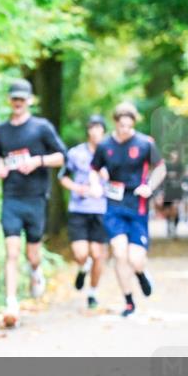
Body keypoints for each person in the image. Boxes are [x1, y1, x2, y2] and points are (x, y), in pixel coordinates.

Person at [0, 79, 67, 327]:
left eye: (22, 98)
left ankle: (36, 270)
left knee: (32, 253)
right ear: (9, 100)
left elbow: (61, 157)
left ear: (30, 101)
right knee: (11, 252)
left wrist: (38, 161)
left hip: (35, 197)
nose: (18, 102)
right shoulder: (1, 130)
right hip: (11, 197)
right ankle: (11, 303)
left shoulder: (41, 127)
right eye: (14, 98)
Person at [89, 102, 166, 317]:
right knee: (119, 253)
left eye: (129, 126)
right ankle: (129, 301)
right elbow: (93, 170)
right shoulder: (105, 146)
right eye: (122, 125)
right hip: (114, 207)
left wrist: (149, 186)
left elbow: (160, 168)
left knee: (135, 259)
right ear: (115, 123)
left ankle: (141, 274)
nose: (125, 130)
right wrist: (95, 184)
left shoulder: (144, 143)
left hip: (137, 207)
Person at [59, 114, 108, 309]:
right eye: (92, 127)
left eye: (99, 128)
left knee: (97, 254)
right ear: (88, 131)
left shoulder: (111, 153)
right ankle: (82, 267)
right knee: (81, 253)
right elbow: (62, 177)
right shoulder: (75, 153)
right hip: (79, 209)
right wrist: (77, 188)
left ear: (104, 131)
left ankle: (93, 292)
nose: (95, 132)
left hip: (101, 210)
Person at [160, 150, 183, 238]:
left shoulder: (180, 166)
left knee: (176, 209)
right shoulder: (167, 166)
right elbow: (163, 177)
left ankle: (175, 228)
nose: (174, 158)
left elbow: (182, 177)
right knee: (168, 210)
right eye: (172, 156)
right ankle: (169, 226)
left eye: (175, 156)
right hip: (168, 191)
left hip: (177, 191)